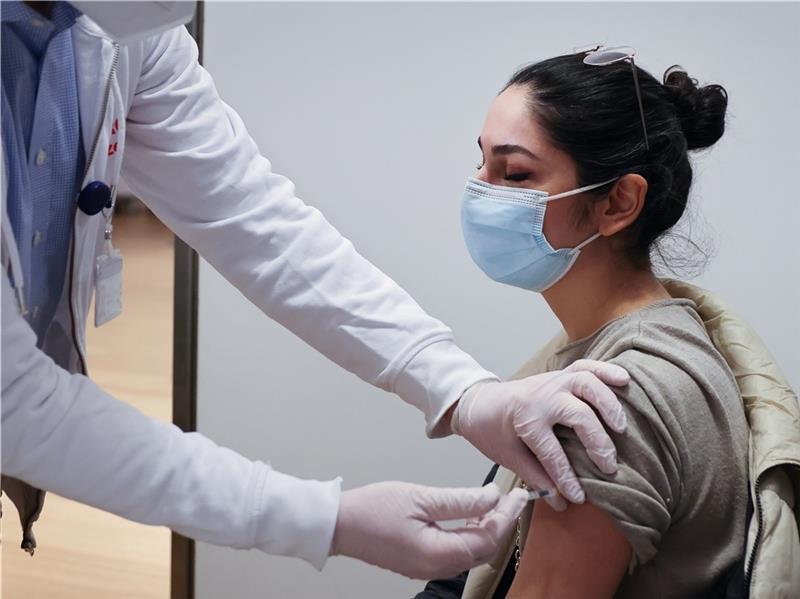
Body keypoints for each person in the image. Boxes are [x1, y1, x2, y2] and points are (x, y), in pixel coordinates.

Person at [0, 2, 631, 580]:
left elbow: (252, 218)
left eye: (515, 172)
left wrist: (462, 390)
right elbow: (14, 400)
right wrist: (326, 519)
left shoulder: (122, 32)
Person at [417, 47, 750, 597]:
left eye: (515, 172)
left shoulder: (613, 398)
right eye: (481, 162)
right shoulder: (615, 347)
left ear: (618, 202)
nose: (479, 191)